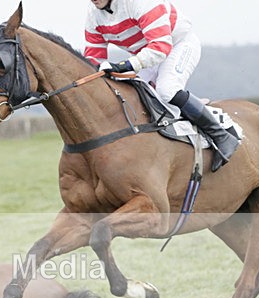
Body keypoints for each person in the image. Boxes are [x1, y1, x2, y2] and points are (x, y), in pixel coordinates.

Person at [84, 0, 240, 170]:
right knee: (131, 94)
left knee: (167, 90)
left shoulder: (139, 3)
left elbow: (160, 48)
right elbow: (93, 60)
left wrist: (122, 66)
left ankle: (222, 133)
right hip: (147, 55)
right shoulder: (93, 16)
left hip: (177, 44)